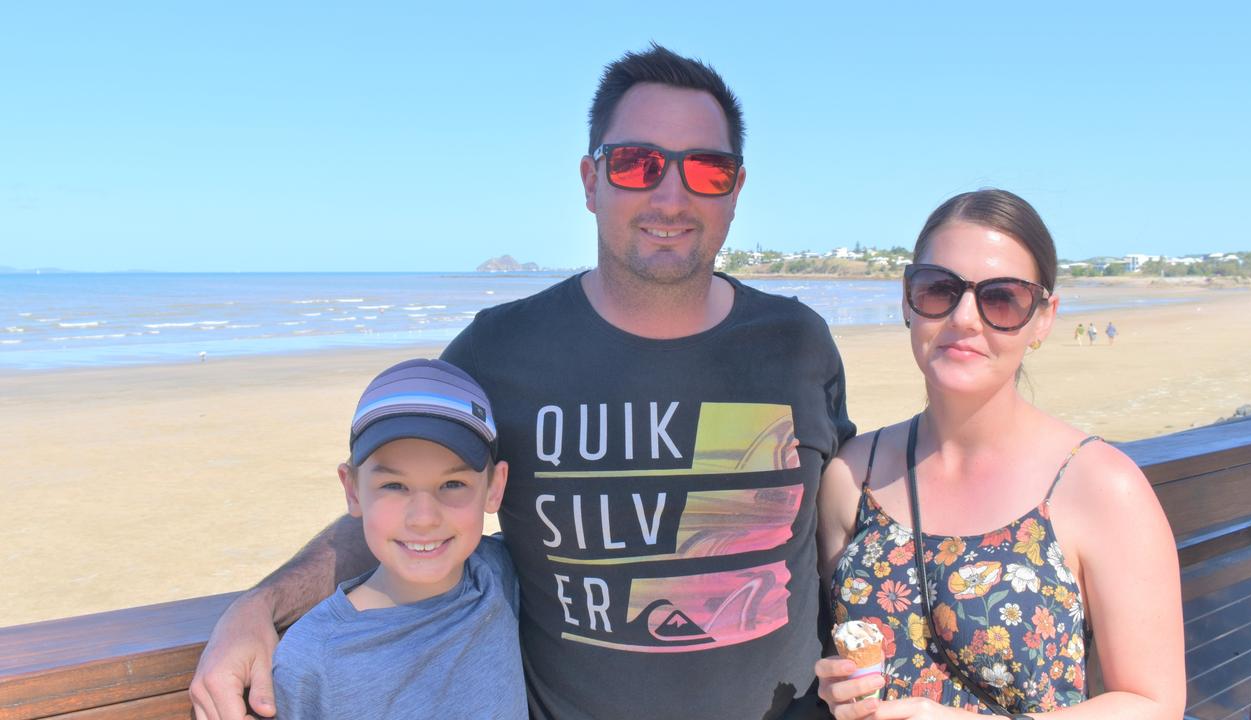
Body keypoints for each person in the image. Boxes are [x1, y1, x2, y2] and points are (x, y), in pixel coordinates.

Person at [190, 44, 854, 720]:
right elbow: (406, 498)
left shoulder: (797, 343)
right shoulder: (498, 350)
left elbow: (844, 525)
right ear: (591, 181)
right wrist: (258, 610)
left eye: (707, 169)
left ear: (736, 192)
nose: (670, 195)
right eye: (637, 163)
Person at [814, 190, 1184, 718]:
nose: (965, 319)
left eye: (1001, 298)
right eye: (939, 289)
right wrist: (839, 688)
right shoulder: (854, 475)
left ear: (1043, 318)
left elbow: (1154, 704)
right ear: (907, 299)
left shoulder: (1100, 484)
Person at [269, 359, 525, 719]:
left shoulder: (499, 573)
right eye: (394, 485)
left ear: (494, 487)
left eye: (453, 484)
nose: (423, 518)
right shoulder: (314, 658)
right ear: (353, 490)